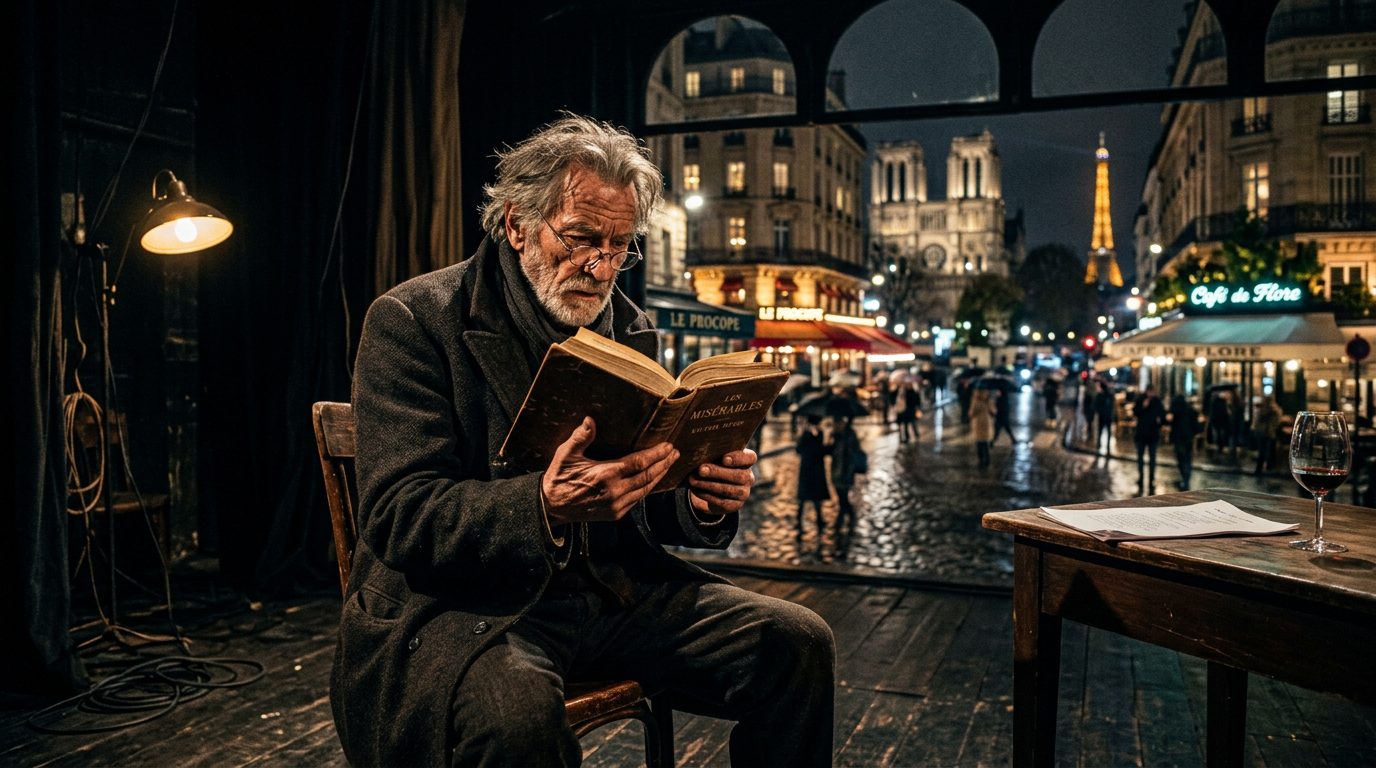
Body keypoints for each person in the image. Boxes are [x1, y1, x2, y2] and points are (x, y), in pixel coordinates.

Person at [332, 115, 834, 768]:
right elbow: (399, 516)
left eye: (620, 246)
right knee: (515, 719)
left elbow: (639, 495)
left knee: (797, 643)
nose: (600, 267)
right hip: (472, 607)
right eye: (580, 239)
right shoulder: (415, 320)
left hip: (609, 597)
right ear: (517, 224)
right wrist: (542, 505)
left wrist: (697, 498)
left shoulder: (628, 326)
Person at [795, 414, 831, 547]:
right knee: (804, 499)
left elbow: (820, 451)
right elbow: (799, 450)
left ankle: (819, 520)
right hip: (809, 470)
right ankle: (799, 522)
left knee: (816, 499)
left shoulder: (819, 434)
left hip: (815, 471)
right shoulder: (806, 435)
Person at [826, 415, 863, 536]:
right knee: (842, 498)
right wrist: (829, 442)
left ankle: (841, 521)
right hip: (836, 471)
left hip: (846, 471)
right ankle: (849, 517)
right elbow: (829, 452)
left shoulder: (850, 435)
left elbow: (854, 452)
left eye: (837, 423)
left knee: (843, 497)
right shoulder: (835, 435)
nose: (835, 425)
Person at [1133, 385, 1167, 490]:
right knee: (1140, 458)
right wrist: (1143, 406)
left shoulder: (1157, 401)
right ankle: (1141, 478)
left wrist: (1160, 421)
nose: (1150, 394)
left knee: (1152, 459)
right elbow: (1136, 412)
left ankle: (1151, 480)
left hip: (1153, 434)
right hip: (1141, 433)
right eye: (1149, 392)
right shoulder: (1140, 400)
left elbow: (1162, 414)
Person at [1167, 395, 1200, 490]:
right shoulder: (1190, 410)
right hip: (1188, 437)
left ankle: (1185, 482)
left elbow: (1170, 421)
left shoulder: (1176, 411)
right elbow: (1196, 424)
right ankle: (1186, 481)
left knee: (1182, 460)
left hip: (1179, 438)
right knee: (1187, 460)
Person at [1253, 395, 1284, 474]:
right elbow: (1277, 422)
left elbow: (1257, 421)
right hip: (1270, 433)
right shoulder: (1276, 410)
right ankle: (1269, 466)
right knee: (1269, 450)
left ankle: (1260, 467)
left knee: (1263, 451)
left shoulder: (1262, 409)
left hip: (1263, 432)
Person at [970, 388, 997, 468]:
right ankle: (987, 460)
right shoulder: (988, 400)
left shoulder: (975, 400)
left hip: (977, 424)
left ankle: (981, 461)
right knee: (985, 443)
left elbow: (972, 412)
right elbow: (994, 411)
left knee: (979, 444)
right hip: (986, 423)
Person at [894, 377, 922, 443]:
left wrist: (918, 408)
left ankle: (916, 435)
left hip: (911, 410)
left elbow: (917, 401)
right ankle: (907, 437)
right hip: (903, 410)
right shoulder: (901, 391)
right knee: (905, 424)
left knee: (913, 423)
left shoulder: (913, 391)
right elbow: (895, 397)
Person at [1092, 381, 1116, 454]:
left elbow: (1095, 405)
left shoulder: (1103, 395)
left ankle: (1103, 445)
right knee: (1103, 431)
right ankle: (1101, 445)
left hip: (1105, 416)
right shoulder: (1106, 395)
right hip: (1105, 416)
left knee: (1104, 431)